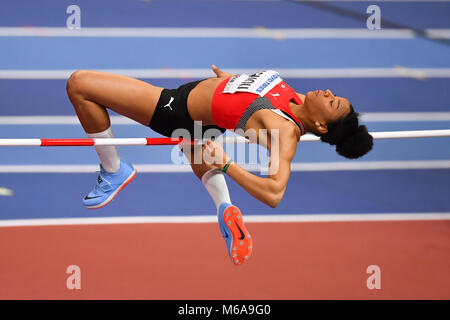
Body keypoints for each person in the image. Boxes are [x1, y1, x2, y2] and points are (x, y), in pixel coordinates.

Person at [66, 66, 373, 266]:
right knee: (195, 143)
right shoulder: (299, 99)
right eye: (335, 95)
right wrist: (231, 82)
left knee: (80, 84)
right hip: (206, 115)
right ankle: (225, 208)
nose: (329, 93)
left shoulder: (284, 132)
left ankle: (113, 169)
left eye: (332, 103)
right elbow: (254, 100)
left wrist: (228, 165)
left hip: (177, 110)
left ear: (320, 125)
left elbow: (274, 193)